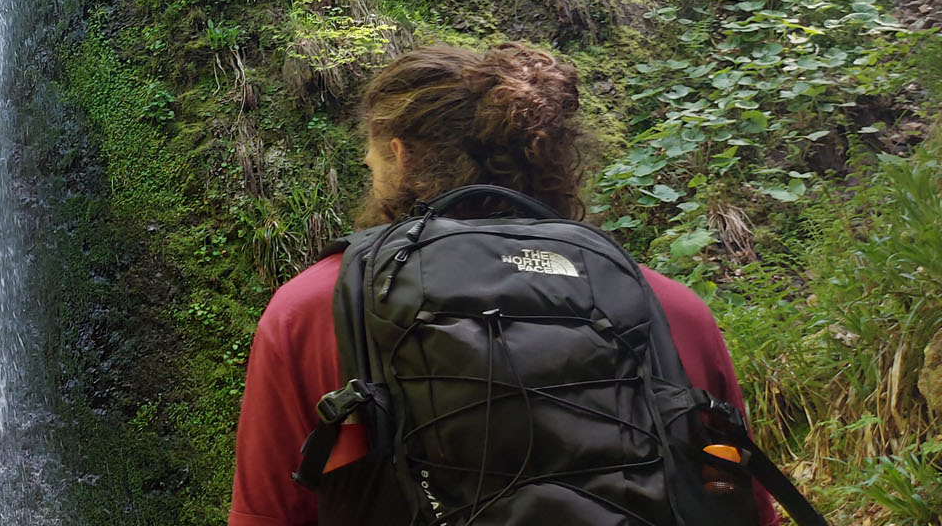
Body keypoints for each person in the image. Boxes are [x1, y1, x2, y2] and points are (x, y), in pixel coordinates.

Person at [229, 42, 781, 526]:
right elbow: (743, 509)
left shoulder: (313, 309)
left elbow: (267, 513)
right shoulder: (667, 308)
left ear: (399, 155)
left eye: (371, 159)